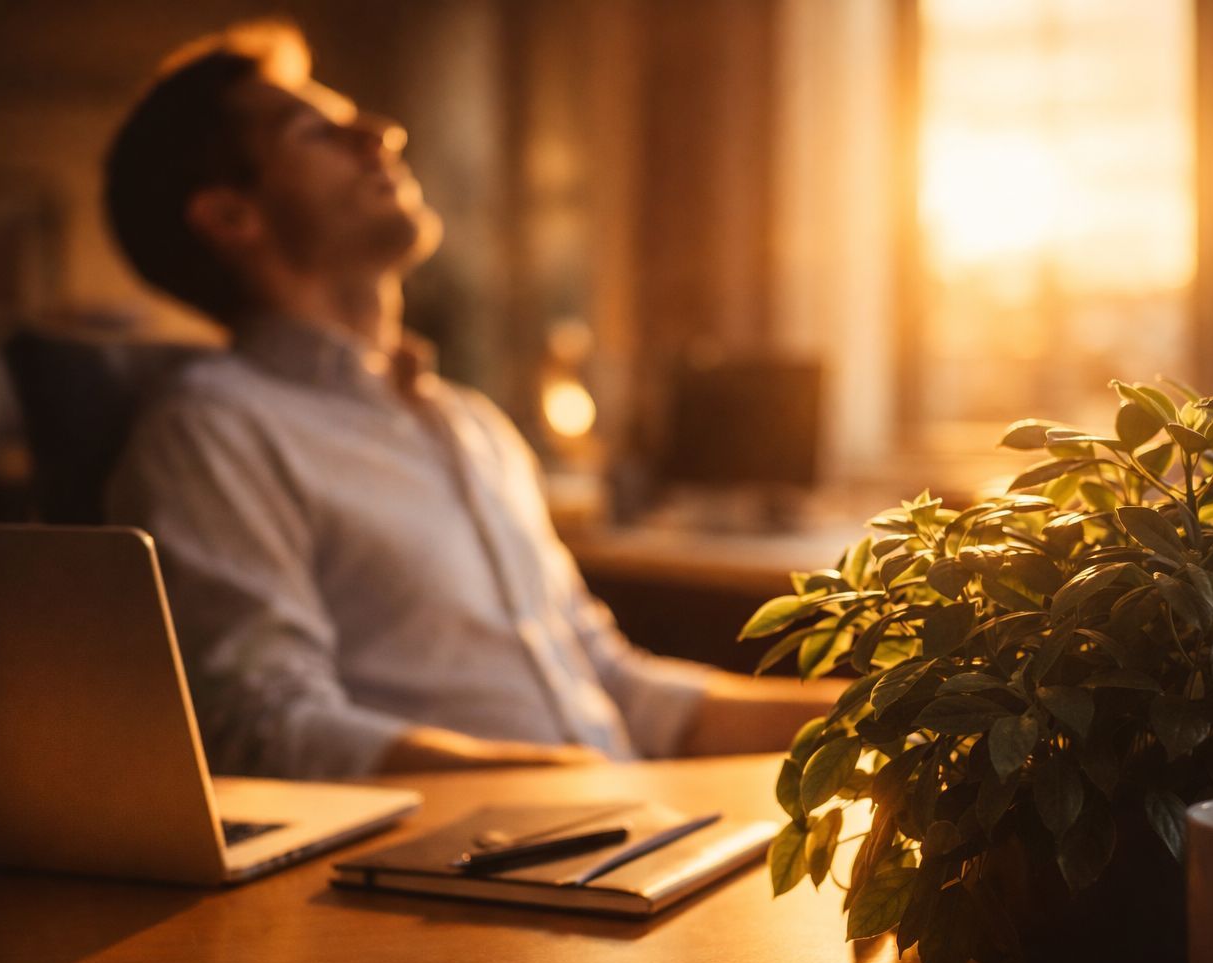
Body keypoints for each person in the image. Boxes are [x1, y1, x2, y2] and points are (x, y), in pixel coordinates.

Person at [103, 21, 839, 779]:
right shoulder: (213, 432)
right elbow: (263, 729)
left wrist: (877, 711)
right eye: (316, 131)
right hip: (464, 873)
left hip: (612, 834)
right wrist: (557, 786)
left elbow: (615, 690)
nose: (381, 132)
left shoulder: (473, 426)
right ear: (231, 216)